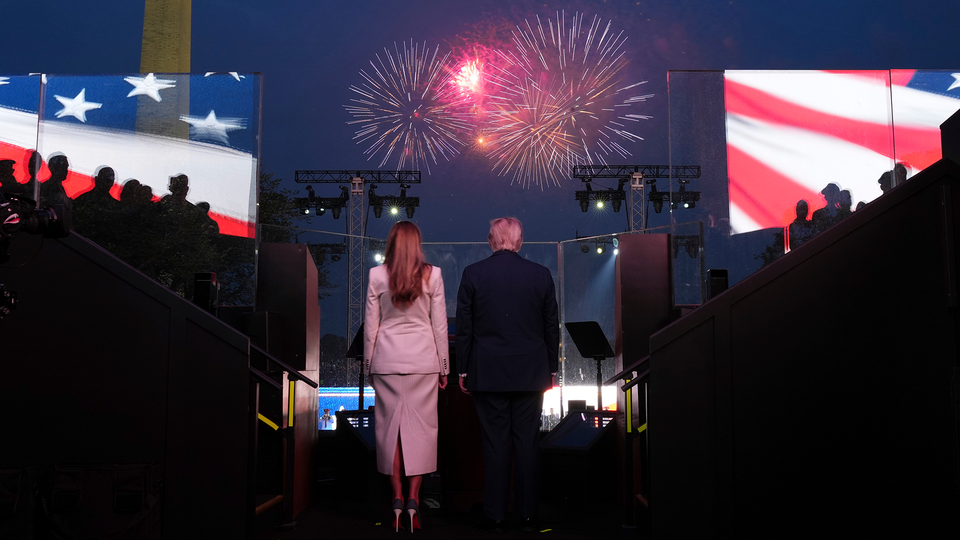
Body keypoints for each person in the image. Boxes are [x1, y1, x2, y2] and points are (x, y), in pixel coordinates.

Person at [455, 217, 559, 533]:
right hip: (531, 372)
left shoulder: (473, 274)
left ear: (491, 240)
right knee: (527, 444)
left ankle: (495, 514)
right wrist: (552, 369)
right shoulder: (541, 275)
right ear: (519, 241)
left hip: (487, 373)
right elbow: (551, 327)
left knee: (495, 444)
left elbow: (465, 328)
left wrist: (463, 369)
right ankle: (528, 514)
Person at [363, 221, 449, 532]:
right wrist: (444, 367)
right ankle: (414, 500)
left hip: (386, 362)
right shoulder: (433, 275)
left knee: (391, 434)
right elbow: (439, 326)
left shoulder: (376, 275)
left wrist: (368, 366)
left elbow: (371, 327)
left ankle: (396, 499)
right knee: (421, 433)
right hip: (423, 363)